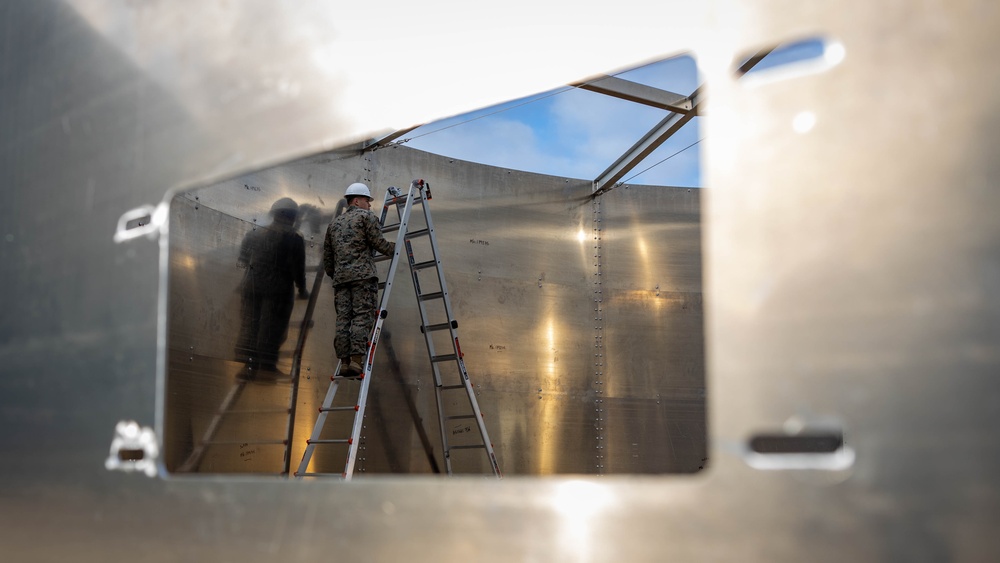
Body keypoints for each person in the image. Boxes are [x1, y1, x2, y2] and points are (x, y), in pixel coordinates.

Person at [324, 182, 395, 377]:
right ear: (356, 200)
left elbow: (328, 260)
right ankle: (356, 361)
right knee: (362, 316)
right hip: (363, 278)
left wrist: (339, 274)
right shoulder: (366, 218)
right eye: (367, 200)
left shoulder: (334, 224)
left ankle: (344, 362)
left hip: (341, 281)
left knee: (343, 319)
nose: (369, 205)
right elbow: (377, 243)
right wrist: (395, 249)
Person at [234, 197, 308, 381]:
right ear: (292, 216)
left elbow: (243, 259)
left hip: (251, 286)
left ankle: (248, 364)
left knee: (250, 324)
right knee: (271, 328)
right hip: (278, 290)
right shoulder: (294, 238)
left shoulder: (254, 234)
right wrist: (302, 289)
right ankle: (266, 367)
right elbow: (298, 268)